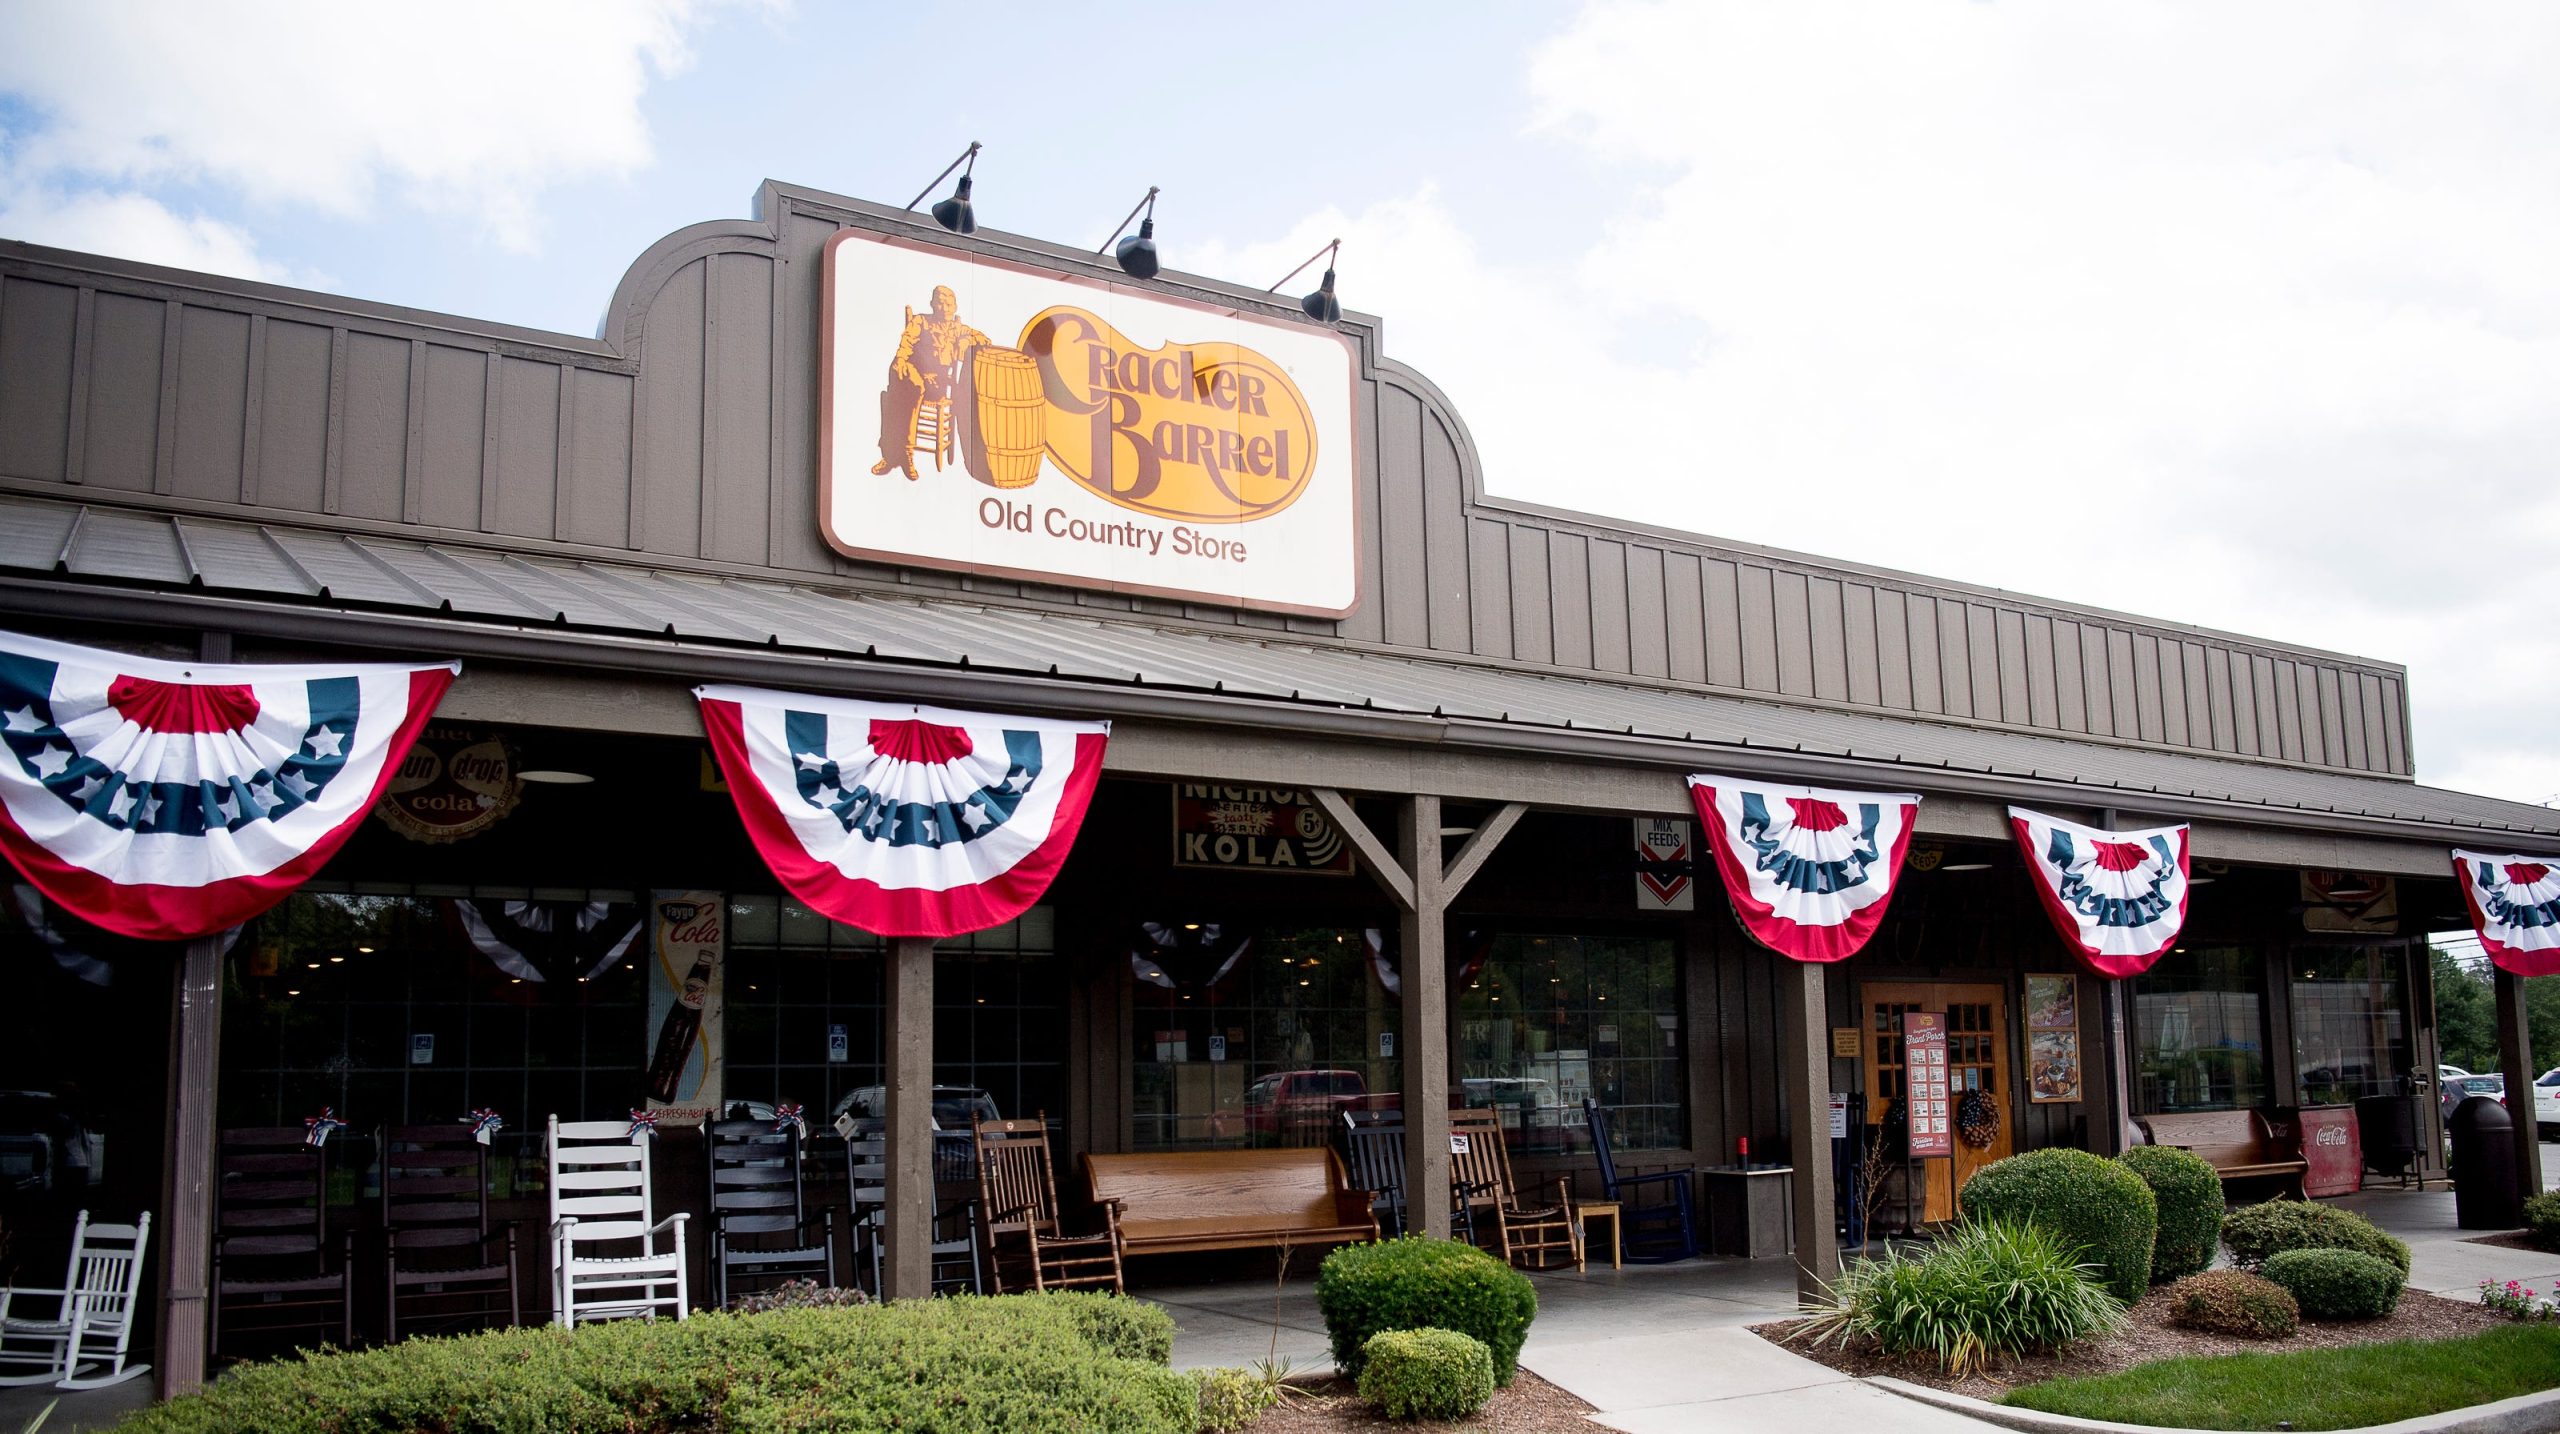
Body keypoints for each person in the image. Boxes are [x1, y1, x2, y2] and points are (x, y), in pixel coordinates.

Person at [872, 285, 988, 480]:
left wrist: (965, 342)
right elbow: (906, 343)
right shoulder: (921, 321)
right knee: (906, 383)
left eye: (949, 304)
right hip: (912, 374)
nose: (944, 308)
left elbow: (982, 338)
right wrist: (900, 360)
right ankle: (903, 454)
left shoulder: (958, 329)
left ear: (955, 307)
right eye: (940, 303)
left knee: (898, 395)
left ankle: (895, 455)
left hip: (935, 385)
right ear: (932, 304)